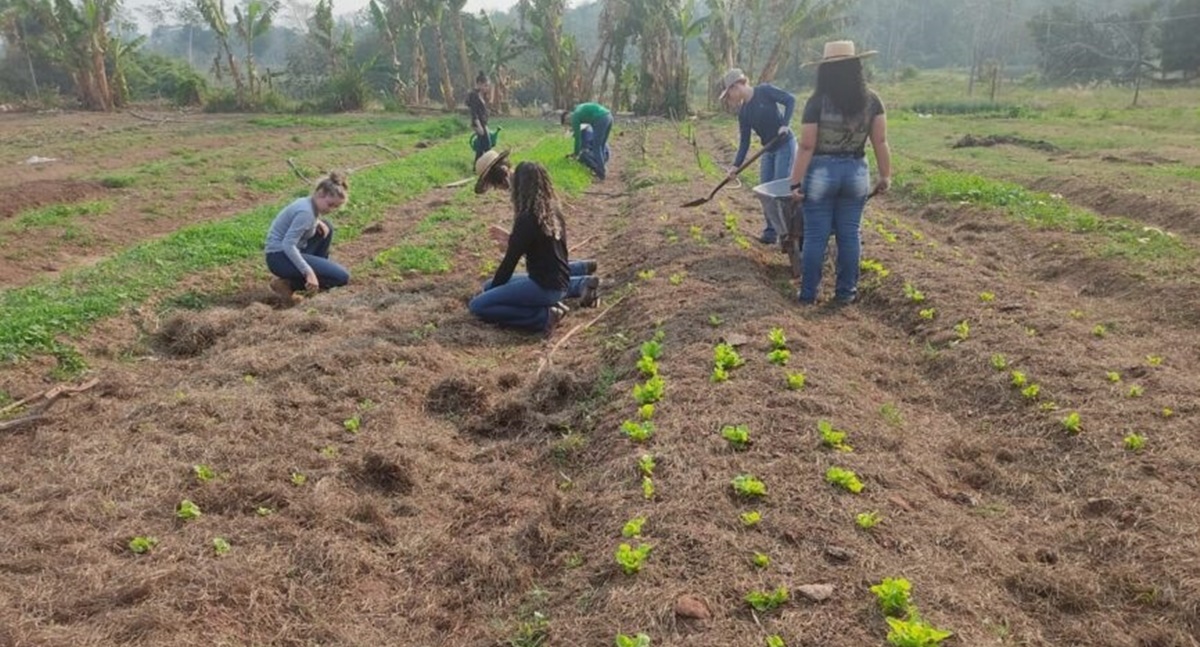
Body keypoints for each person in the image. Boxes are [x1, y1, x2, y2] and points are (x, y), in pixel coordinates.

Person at [788, 40, 891, 306]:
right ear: (856, 67)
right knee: (849, 233)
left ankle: (808, 294)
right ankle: (846, 293)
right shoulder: (872, 101)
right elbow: (880, 142)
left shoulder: (816, 102)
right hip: (856, 171)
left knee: (816, 235)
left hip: (822, 171)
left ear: (825, 71)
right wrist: (885, 176)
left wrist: (795, 183)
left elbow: (807, 145)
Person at [469, 161, 600, 335]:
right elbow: (538, 245)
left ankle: (543, 316)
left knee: (478, 305)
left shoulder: (526, 218)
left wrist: (495, 292)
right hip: (559, 280)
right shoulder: (552, 208)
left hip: (545, 287)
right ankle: (575, 286)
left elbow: (508, 265)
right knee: (487, 285)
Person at [719, 68, 796, 245]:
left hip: (785, 145)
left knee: (780, 189)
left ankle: (787, 232)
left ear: (736, 86)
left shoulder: (764, 91)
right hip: (768, 150)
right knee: (765, 191)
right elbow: (744, 142)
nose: (729, 99)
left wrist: (785, 124)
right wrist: (736, 166)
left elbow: (790, 100)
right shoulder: (744, 113)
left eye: (729, 93)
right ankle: (771, 231)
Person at [265, 172, 351, 302]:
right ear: (320, 193)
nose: (331, 209)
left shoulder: (307, 203)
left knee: (327, 227)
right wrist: (308, 272)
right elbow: (288, 245)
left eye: (336, 207)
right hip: (279, 257)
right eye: (330, 204)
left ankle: (317, 277)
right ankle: (289, 284)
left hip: (286, 253)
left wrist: (317, 222)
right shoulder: (306, 213)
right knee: (341, 277)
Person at [562, 102, 613, 180]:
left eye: (568, 123)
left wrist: (576, 154)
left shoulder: (575, 117)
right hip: (609, 116)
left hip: (601, 118)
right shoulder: (579, 110)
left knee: (597, 147)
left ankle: (601, 174)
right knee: (601, 145)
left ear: (567, 117)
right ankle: (603, 167)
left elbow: (578, 139)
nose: (570, 124)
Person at [466, 72, 491, 161]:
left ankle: (477, 166)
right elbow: (474, 113)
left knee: (481, 146)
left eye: (487, 86)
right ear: (479, 84)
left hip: (483, 123)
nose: (487, 88)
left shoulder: (482, 95)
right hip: (478, 124)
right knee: (487, 145)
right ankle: (489, 163)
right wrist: (479, 126)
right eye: (485, 85)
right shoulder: (474, 96)